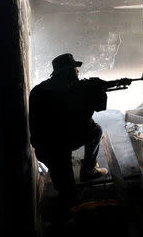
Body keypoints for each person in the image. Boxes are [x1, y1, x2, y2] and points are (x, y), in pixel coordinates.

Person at [28, 53, 124, 214]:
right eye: (75, 69)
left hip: (48, 147)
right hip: (56, 148)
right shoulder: (76, 90)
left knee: (67, 191)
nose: (78, 72)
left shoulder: (39, 90)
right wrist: (96, 90)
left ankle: (85, 174)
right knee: (69, 196)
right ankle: (87, 171)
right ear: (69, 71)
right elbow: (98, 108)